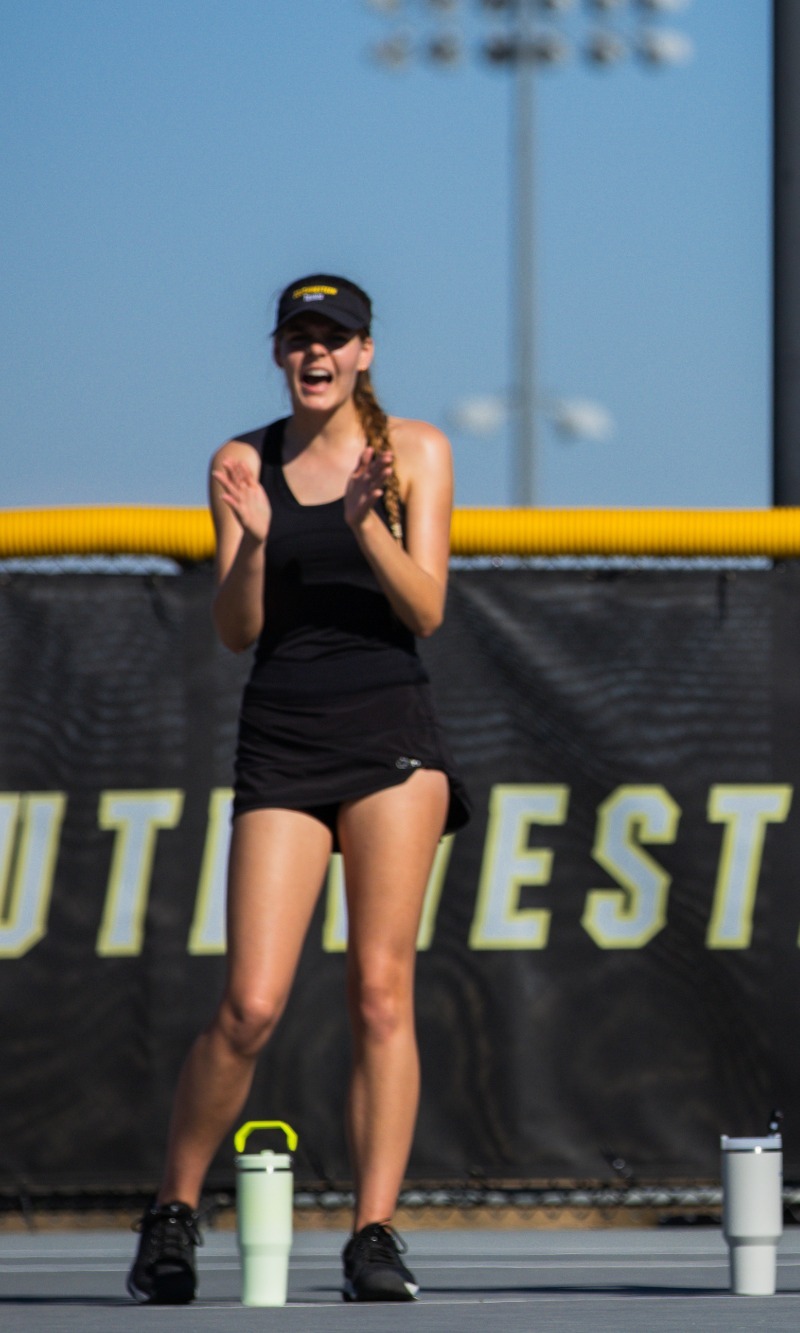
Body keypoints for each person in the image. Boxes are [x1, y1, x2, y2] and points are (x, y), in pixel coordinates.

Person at [128, 276, 467, 1304]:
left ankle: (373, 1231)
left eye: (336, 337)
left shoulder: (415, 451)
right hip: (283, 737)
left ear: (367, 351)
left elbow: (426, 609)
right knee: (251, 1003)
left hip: (390, 737)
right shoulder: (243, 460)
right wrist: (262, 542)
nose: (316, 352)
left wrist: (367, 523)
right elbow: (236, 630)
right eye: (299, 336)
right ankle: (174, 1213)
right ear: (278, 351)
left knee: (380, 990)